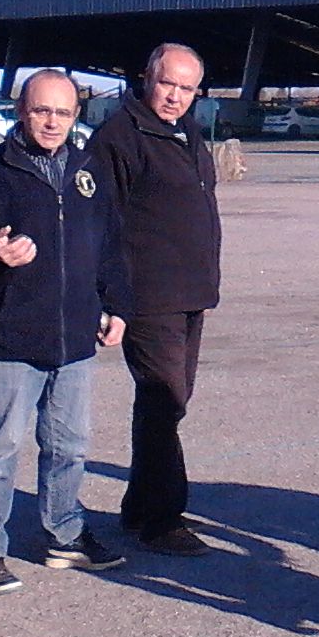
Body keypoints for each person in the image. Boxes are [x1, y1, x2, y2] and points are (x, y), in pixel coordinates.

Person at [0, 70, 131, 595]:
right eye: (42, 111)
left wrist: (116, 306)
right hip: (10, 337)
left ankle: (65, 534)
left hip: (75, 337)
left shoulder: (88, 171)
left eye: (63, 113)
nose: (52, 122)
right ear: (22, 111)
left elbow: (108, 247)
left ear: (76, 117)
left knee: (70, 446)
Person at [93, 43, 223, 556]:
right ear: (147, 77)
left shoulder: (184, 132)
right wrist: (111, 299)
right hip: (146, 295)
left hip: (190, 292)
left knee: (167, 403)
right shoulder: (120, 137)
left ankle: (139, 506)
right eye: (167, 83)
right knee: (163, 399)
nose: (175, 96)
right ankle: (162, 519)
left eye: (186, 88)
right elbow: (100, 223)